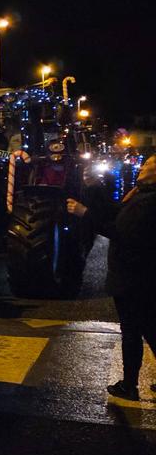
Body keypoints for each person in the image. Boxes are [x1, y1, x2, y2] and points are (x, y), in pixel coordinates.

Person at [67, 156, 156, 400]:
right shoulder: (140, 194)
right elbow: (116, 212)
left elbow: (119, 231)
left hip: (134, 276)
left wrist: (85, 213)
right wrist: (95, 187)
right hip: (136, 276)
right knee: (147, 328)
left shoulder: (149, 200)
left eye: (149, 164)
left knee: (133, 332)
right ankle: (129, 383)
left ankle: (129, 385)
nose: (143, 167)